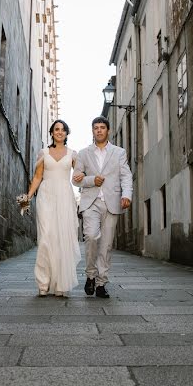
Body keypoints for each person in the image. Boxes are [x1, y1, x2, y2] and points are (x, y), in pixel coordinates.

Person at [72, 116, 133, 298]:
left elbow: (126, 176)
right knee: (91, 236)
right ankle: (90, 275)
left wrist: (126, 195)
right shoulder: (83, 153)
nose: (99, 130)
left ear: (108, 130)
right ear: (92, 131)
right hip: (90, 202)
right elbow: (76, 179)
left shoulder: (119, 152)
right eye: (96, 128)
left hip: (112, 202)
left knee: (106, 245)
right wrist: (92, 180)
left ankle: (101, 283)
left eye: (102, 127)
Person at [24, 119, 81, 297]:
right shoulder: (44, 152)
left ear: (66, 133)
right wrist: (28, 196)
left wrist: (82, 177)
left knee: (62, 239)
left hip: (65, 197)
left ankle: (60, 284)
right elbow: (37, 177)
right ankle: (43, 282)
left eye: (63, 130)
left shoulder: (73, 154)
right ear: (52, 132)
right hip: (46, 197)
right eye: (56, 129)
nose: (59, 132)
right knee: (46, 238)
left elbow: (78, 175)